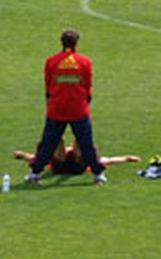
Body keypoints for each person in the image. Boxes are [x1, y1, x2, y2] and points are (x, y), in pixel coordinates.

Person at [24, 28, 107, 185]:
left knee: (48, 143)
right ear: (76, 43)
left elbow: (48, 87)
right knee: (86, 143)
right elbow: (88, 86)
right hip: (78, 109)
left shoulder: (51, 61)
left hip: (57, 109)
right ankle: (98, 174)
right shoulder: (84, 62)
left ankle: (35, 173)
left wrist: (50, 103)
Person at [12, 138, 140, 176]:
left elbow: (36, 158)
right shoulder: (77, 155)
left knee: (59, 142)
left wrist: (23, 155)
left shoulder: (67, 154)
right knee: (80, 142)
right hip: (73, 166)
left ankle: (66, 135)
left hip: (64, 166)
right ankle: (79, 134)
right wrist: (126, 158)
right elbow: (109, 160)